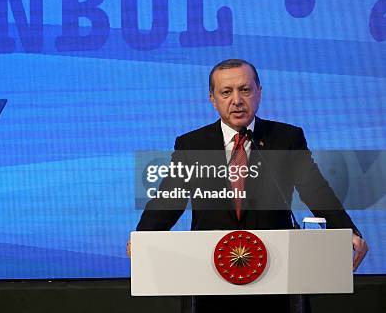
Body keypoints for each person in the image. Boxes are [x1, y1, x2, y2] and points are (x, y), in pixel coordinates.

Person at [129, 59, 369, 313]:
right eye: (226, 92)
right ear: (212, 99)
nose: (237, 100)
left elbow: (315, 189)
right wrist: (142, 237)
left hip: (277, 276)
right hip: (210, 276)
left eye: (245, 90)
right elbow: (169, 199)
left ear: (259, 92)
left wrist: (347, 232)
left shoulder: (285, 138)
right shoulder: (192, 144)